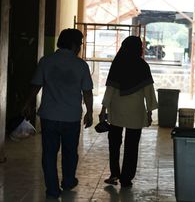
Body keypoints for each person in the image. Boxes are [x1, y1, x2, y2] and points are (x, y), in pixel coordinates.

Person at [22, 28, 93, 199]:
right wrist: (89, 112)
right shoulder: (81, 65)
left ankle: (52, 189)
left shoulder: (46, 61)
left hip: (49, 116)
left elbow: (36, 85)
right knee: (70, 152)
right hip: (71, 117)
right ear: (75, 45)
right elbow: (87, 92)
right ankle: (68, 181)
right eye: (81, 44)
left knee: (49, 153)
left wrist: (27, 103)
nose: (81, 47)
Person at [99, 35, 158, 188]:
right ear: (139, 49)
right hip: (136, 113)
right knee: (132, 146)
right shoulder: (143, 66)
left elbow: (110, 90)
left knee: (114, 143)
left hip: (117, 112)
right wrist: (150, 112)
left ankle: (114, 174)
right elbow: (149, 91)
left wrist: (103, 110)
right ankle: (126, 179)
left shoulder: (117, 64)